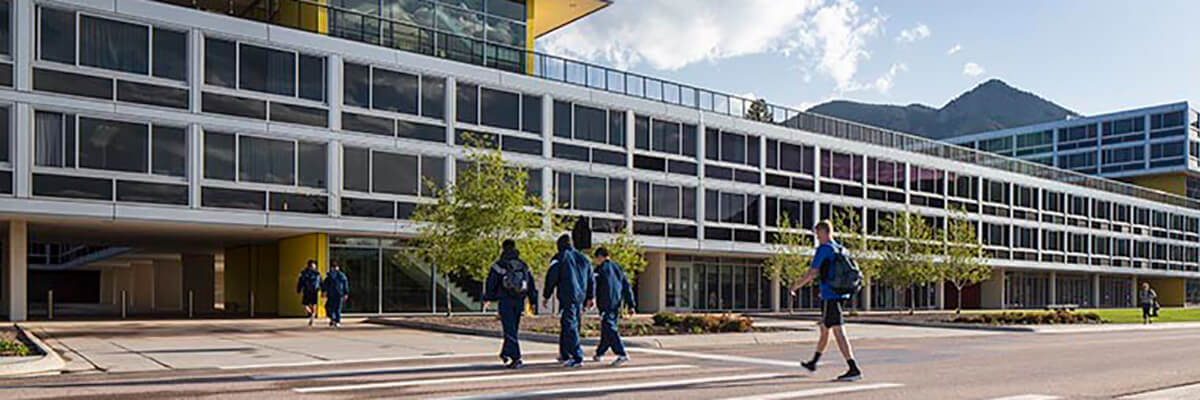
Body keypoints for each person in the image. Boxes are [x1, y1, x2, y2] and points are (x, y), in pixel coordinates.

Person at [789, 220, 863, 382]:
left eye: (817, 234)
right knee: (825, 328)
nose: (817, 237)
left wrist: (795, 286)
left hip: (830, 296)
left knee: (838, 330)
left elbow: (812, 272)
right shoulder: (841, 248)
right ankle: (813, 362)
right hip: (841, 294)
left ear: (823, 232)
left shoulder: (824, 249)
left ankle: (853, 368)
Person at [482, 239, 539, 369]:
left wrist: (488, 298)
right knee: (513, 329)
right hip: (519, 300)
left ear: (503, 248)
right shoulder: (523, 265)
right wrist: (533, 301)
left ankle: (516, 357)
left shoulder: (499, 265)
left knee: (509, 329)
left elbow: (491, 283)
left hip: (505, 300)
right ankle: (505, 353)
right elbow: (531, 284)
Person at [542, 234, 595, 368]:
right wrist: (590, 296)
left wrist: (546, 295)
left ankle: (577, 356)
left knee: (569, 324)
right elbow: (591, 279)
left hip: (567, 295)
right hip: (580, 296)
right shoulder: (584, 259)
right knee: (572, 324)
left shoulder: (560, 257)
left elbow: (551, 277)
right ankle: (565, 353)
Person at [591, 247, 635, 367]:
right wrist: (630, 304)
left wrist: (590, 299)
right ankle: (599, 353)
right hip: (616, 304)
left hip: (606, 303)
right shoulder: (618, 268)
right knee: (607, 329)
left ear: (600, 257)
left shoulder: (600, 270)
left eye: (596, 258)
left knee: (609, 327)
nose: (596, 261)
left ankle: (621, 353)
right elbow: (626, 286)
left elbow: (594, 287)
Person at [322, 262, 349, 328]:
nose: (334, 269)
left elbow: (345, 285)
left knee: (337, 308)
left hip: (339, 294)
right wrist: (324, 291)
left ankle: (337, 321)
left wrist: (346, 293)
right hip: (331, 294)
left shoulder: (341, 276)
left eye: (335, 267)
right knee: (329, 307)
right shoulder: (329, 276)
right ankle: (333, 319)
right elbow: (325, 285)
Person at [296, 260, 322, 327]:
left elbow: (320, 282)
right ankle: (311, 314)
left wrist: (322, 289)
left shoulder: (317, 273)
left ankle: (312, 318)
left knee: (314, 305)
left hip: (314, 291)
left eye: (314, 265)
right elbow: (300, 281)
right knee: (305, 304)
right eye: (312, 265)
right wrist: (299, 289)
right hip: (307, 290)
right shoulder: (304, 273)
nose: (313, 266)